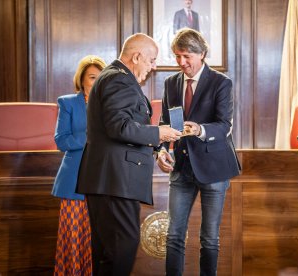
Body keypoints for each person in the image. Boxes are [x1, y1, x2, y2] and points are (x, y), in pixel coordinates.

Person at [76, 33, 182, 275]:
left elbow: (124, 124)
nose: (153, 67)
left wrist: (157, 149)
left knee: (109, 253)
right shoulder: (119, 80)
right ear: (137, 56)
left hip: (110, 179)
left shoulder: (115, 77)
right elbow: (119, 127)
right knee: (120, 249)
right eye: (152, 60)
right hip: (115, 180)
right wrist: (159, 134)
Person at [157, 28, 241, 276]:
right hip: (181, 169)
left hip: (214, 169)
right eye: (177, 56)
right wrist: (161, 151)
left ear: (201, 53)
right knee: (173, 235)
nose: (181, 63)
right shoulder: (170, 83)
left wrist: (200, 129)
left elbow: (224, 125)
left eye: (186, 56)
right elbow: (164, 122)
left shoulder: (221, 83)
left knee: (210, 238)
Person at [51, 54, 107, 275]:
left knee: (100, 241)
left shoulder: (109, 105)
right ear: (81, 79)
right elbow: (61, 141)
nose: (96, 82)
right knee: (75, 240)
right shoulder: (68, 103)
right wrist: (91, 136)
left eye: (100, 78)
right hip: (74, 180)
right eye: (93, 77)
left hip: (104, 180)